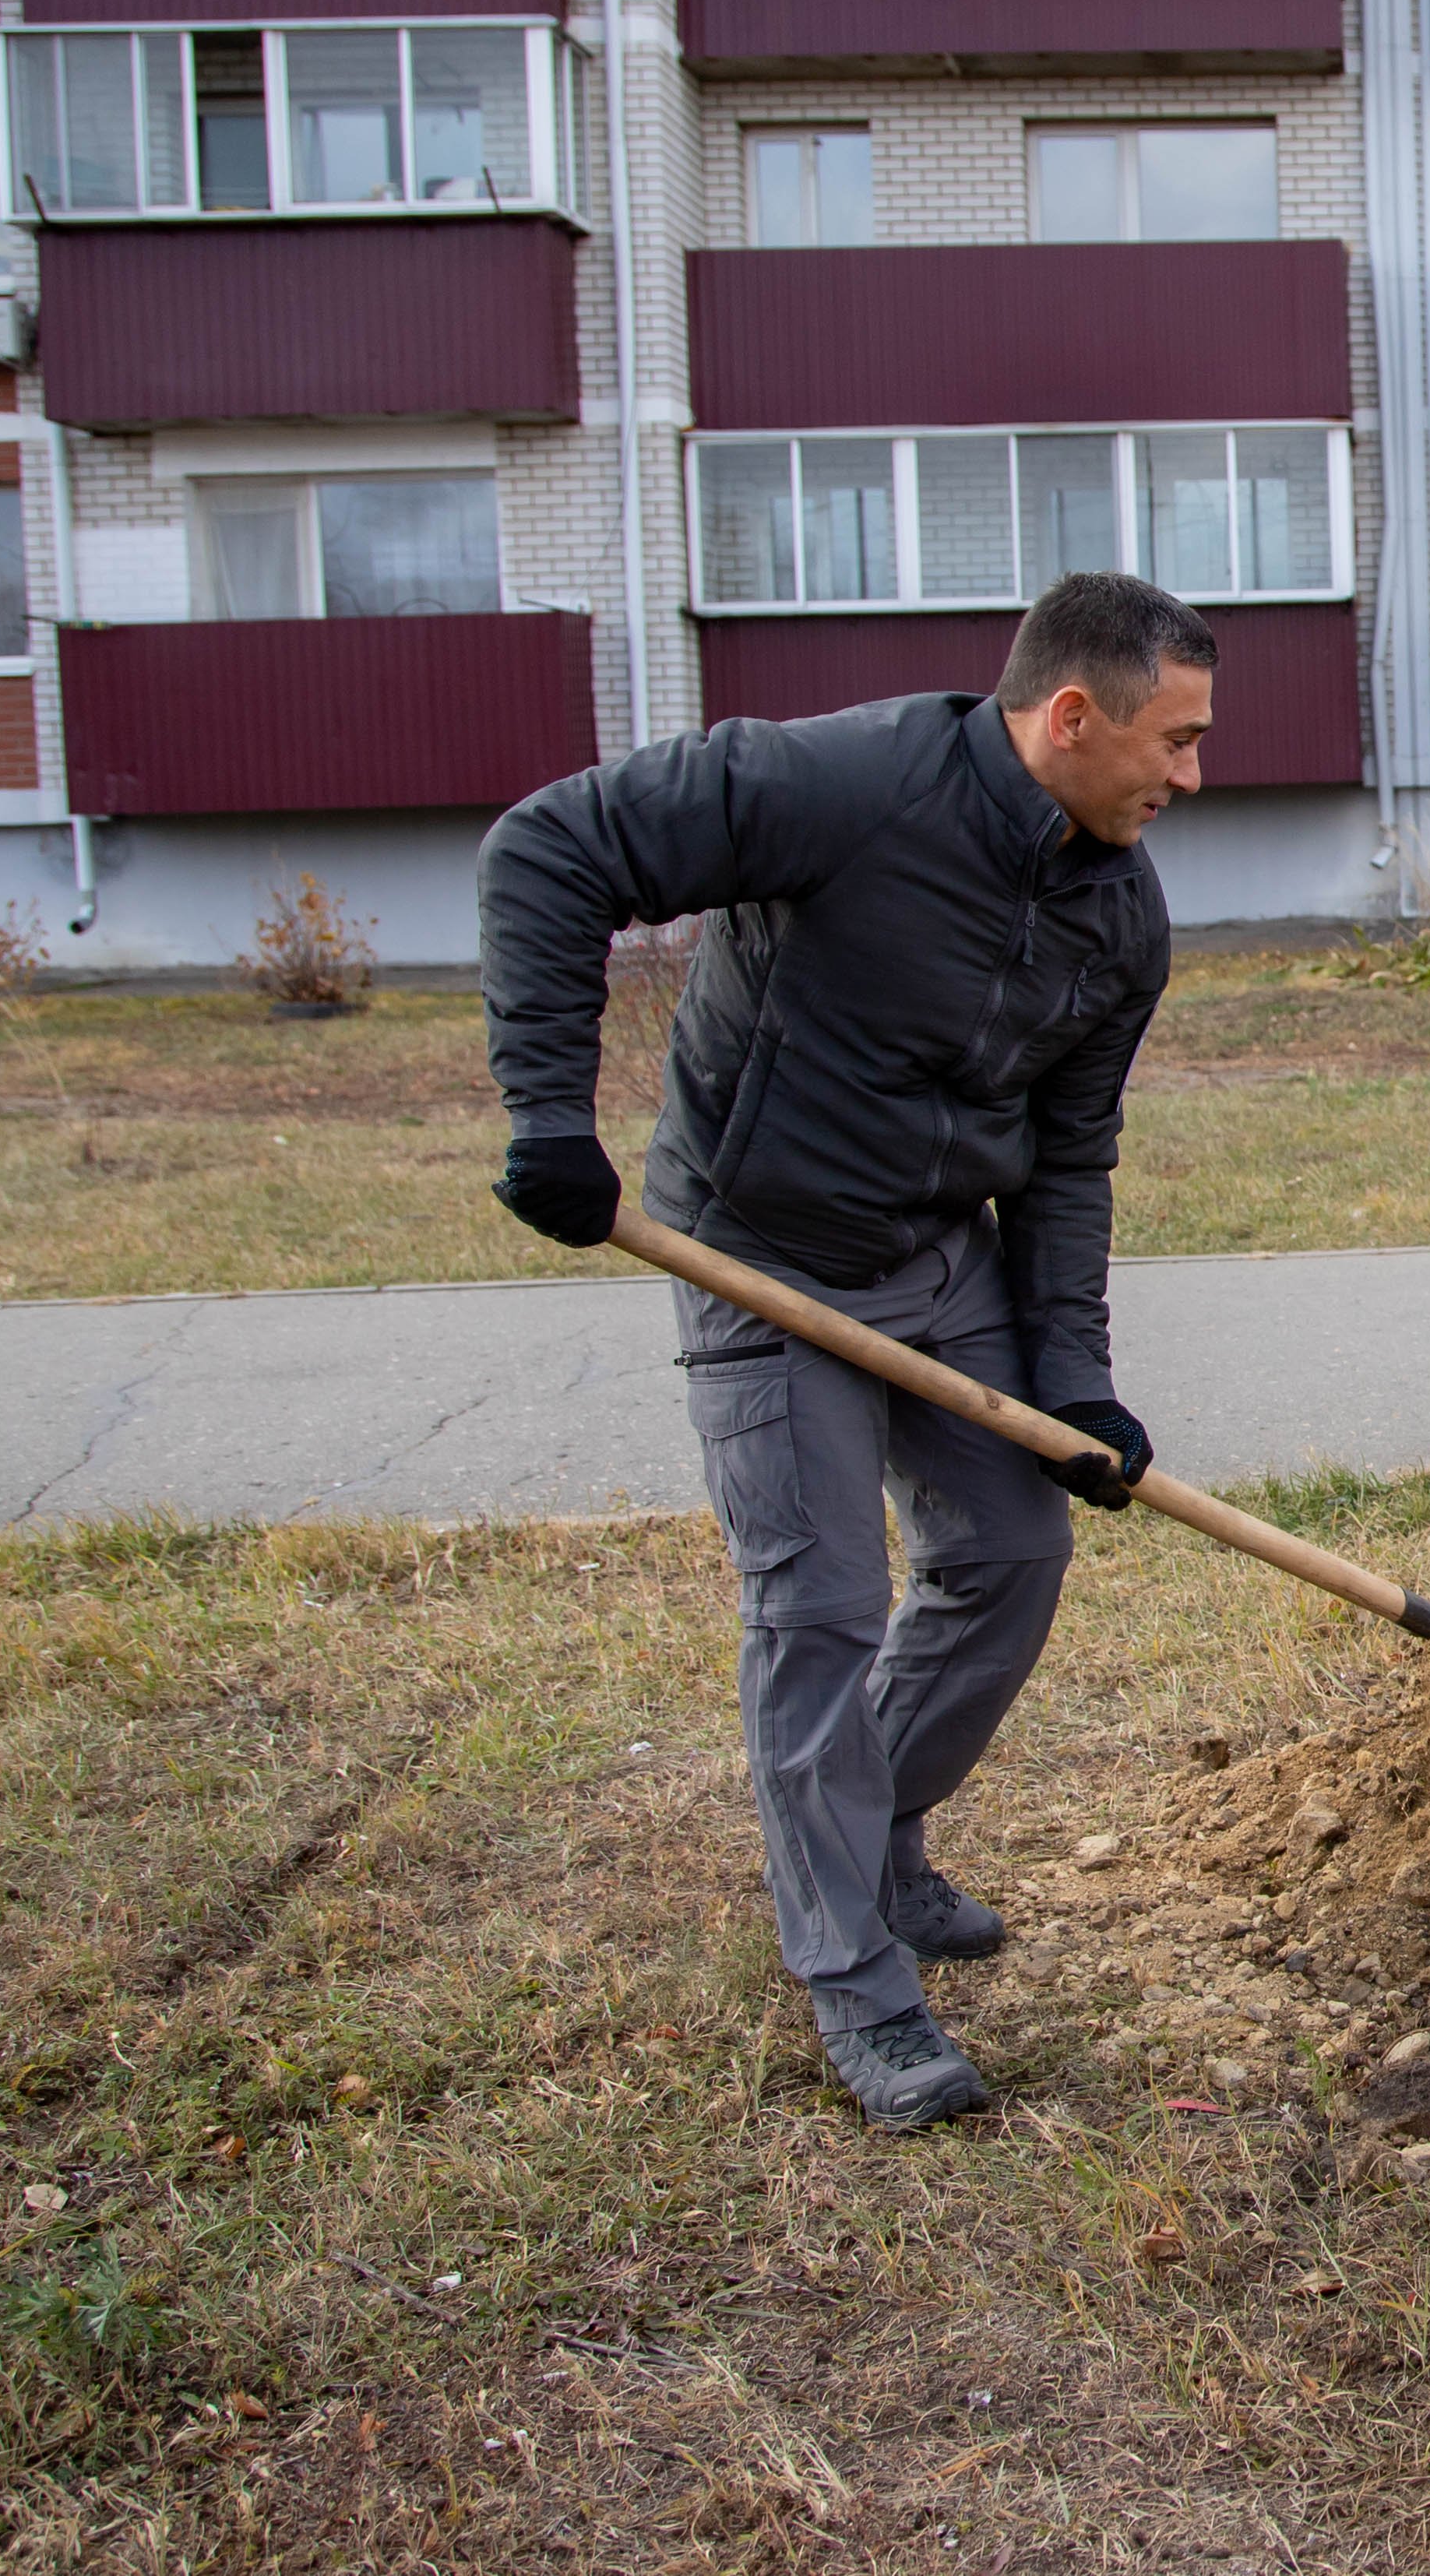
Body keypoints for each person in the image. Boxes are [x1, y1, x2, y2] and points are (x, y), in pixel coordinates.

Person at [477, 572, 1207, 2130]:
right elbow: (552, 845)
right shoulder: (847, 783)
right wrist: (551, 1113)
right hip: (755, 1253)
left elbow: (1069, 1158)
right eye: (1176, 739)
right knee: (818, 1604)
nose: (1189, 776)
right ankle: (855, 1975)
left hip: (942, 1261)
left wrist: (1067, 1375)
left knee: (1009, 1554)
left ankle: (869, 1833)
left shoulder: (1121, 913)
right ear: (1069, 716)